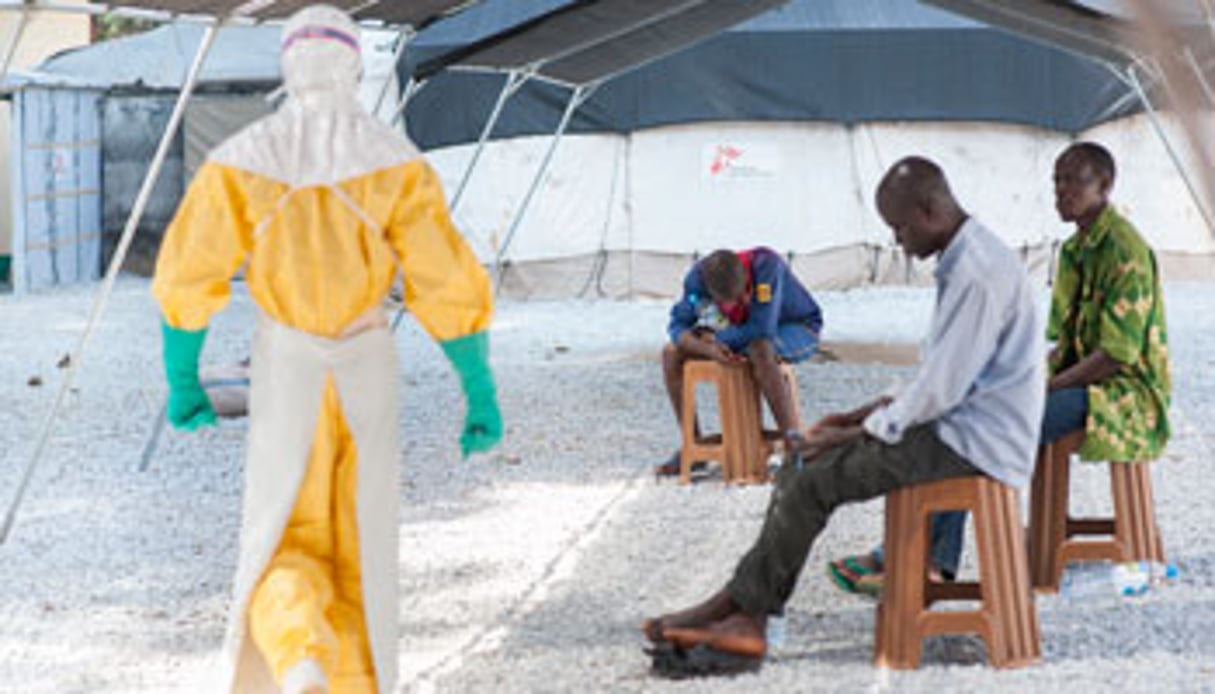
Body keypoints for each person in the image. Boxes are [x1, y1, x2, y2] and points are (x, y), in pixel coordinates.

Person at [151, 6, 502, 692]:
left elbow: (188, 272)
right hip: (366, 364)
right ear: (353, 64)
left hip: (286, 368)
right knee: (362, 540)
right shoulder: (395, 163)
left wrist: (183, 378)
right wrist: (476, 386)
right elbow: (444, 277)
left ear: (288, 63)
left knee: (280, 533)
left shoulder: (240, 160)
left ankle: (298, 656)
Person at [641, 156, 1044, 674]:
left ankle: (744, 614)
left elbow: (940, 391)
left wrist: (852, 433)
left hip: (974, 443)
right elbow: (938, 375)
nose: (898, 242)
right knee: (803, 459)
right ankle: (743, 609)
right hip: (963, 426)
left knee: (812, 475)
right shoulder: (971, 258)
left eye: (899, 228)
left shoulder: (977, 274)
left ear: (928, 210)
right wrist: (859, 413)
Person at [828, 142, 1171, 596]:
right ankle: (909, 553)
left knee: (978, 429)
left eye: (1075, 181)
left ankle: (925, 562)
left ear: (1105, 186)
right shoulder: (1072, 252)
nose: (1062, 191)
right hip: (1081, 381)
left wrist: (1039, 389)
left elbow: (1117, 353)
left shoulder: (1124, 248)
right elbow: (1061, 345)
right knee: (958, 416)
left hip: (1124, 393)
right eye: (1057, 181)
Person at [655, 247, 823, 476]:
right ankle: (693, 446)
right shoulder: (698, 279)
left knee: (760, 349)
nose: (742, 301)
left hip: (796, 328)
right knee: (671, 353)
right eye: (731, 301)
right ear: (713, 294)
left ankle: (795, 448)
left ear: (747, 279)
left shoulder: (767, 266)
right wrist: (704, 347)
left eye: (745, 294)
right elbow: (677, 326)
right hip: (738, 334)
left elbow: (762, 329)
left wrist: (714, 338)